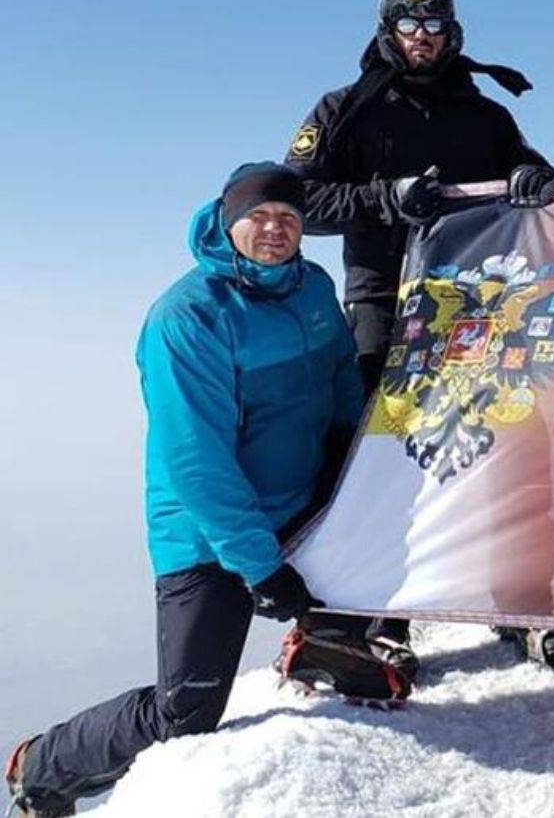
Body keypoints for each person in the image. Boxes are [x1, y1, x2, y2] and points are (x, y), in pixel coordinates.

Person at [5, 164, 365, 818]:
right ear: (229, 222)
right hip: (207, 532)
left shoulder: (311, 287)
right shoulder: (187, 317)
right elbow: (195, 461)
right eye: (260, 216)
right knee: (188, 711)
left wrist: (348, 440)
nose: (276, 228)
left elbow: (339, 366)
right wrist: (259, 565)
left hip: (297, 502)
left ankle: (323, 650)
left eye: (288, 216)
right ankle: (45, 765)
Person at [283, 0, 554, 677]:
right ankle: (384, 617)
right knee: (380, 457)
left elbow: (540, 177)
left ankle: (513, 606)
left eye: (435, 29)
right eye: (411, 30)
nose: (423, 40)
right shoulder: (347, 108)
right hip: (386, 300)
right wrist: (383, 198)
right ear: (388, 33)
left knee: (503, 448)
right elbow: (299, 200)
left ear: (453, 33)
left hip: (479, 305)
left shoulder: (484, 114)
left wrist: (533, 176)